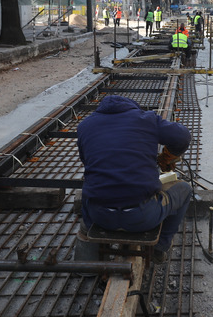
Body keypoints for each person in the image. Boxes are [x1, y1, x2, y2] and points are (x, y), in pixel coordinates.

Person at [78, 95, 192, 263]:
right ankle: (160, 249)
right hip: (142, 217)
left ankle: (92, 246)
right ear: (133, 107)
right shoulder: (146, 119)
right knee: (185, 189)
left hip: (100, 217)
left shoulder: (84, 126)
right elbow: (183, 137)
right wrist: (167, 158)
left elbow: (87, 160)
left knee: (88, 184)